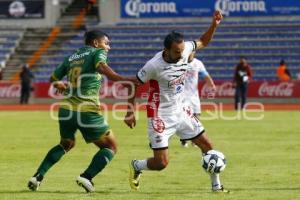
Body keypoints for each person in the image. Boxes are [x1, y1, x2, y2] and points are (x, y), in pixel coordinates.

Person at [124, 11, 229, 193]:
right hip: (160, 115)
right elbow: (132, 85)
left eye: (182, 50)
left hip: (182, 110)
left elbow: (203, 41)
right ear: (167, 50)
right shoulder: (153, 66)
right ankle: (137, 165)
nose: (182, 55)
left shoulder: (185, 48)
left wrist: (214, 25)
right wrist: (130, 111)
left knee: (207, 146)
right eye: (177, 52)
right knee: (161, 163)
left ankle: (216, 187)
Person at [28, 30, 136, 193]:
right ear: (95, 43)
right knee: (111, 146)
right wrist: (122, 80)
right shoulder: (97, 52)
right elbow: (102, 67)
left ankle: (37, 177)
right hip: (87, 111)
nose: (108, 47)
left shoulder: (72, 57)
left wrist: (60, 85)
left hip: (66, 110)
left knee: (66, 144)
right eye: (106, 43)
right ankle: (87, 177)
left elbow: (53, 79)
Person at [181, 51, 216, 148]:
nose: (189, 54)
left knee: (197, 117)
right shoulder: (180, 62)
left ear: (194, 53)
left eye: (191, 52)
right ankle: (184, 139)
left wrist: (211, 84)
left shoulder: (198, 63)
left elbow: (205, 75)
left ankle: (195, 141)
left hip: (194, 96)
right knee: (185, 118)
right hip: (182, 96)